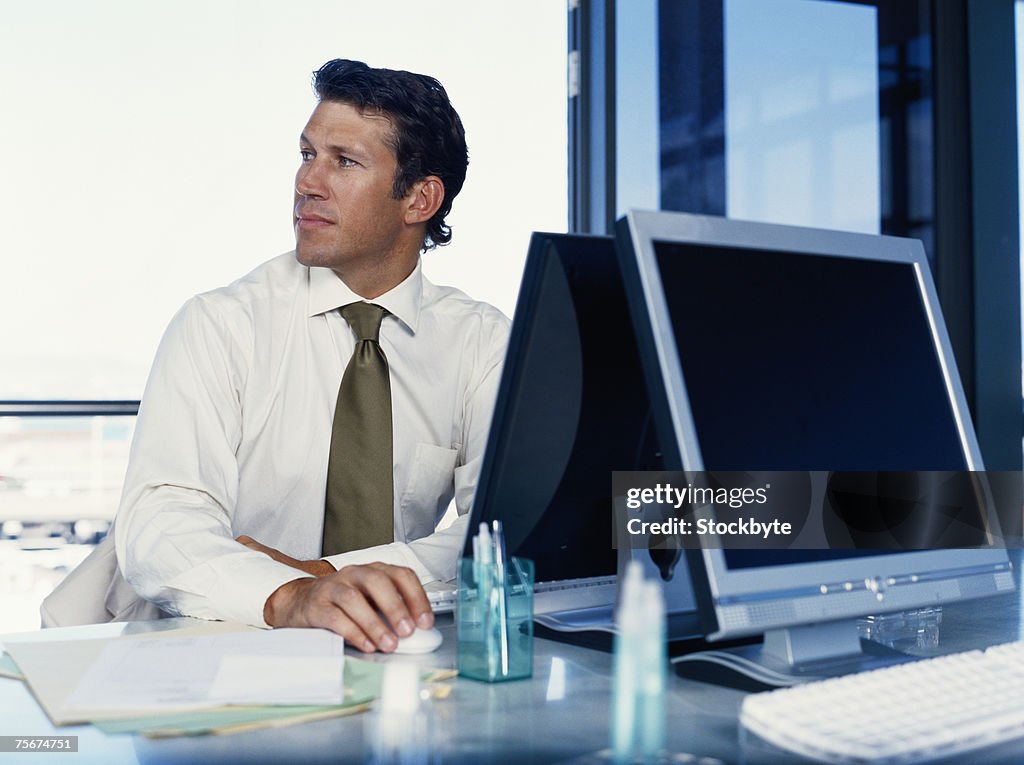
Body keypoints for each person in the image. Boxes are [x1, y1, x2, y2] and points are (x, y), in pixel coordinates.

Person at [113, 59, 510, 653]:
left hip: (390, 654)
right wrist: (287, 595)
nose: (307, 183)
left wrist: (322, 576)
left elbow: (496, 533)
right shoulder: (221, 325)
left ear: (420, 198)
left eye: (343, 162)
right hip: (219, 652)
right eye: (306, 155)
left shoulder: (480, 342)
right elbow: (160, 522)